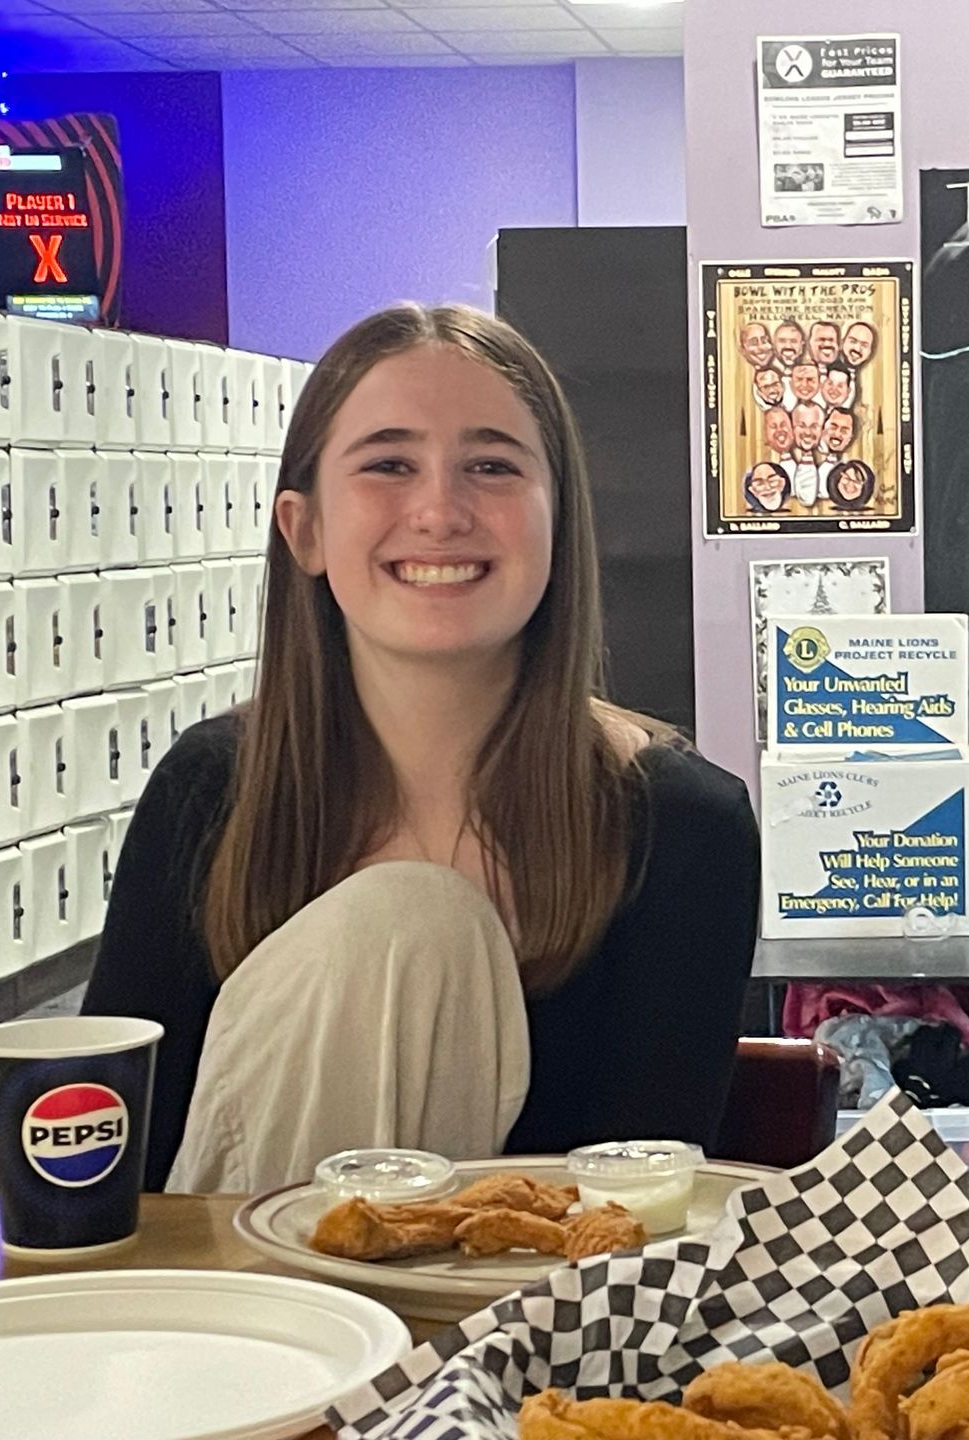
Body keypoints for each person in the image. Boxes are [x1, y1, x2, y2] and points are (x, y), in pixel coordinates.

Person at [83, 304, 762, 1192]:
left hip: (535, 1321)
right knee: (411, 917)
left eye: (491, 466)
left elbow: (633, 1209)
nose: (441, 511)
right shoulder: (208, 792)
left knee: (416, 920)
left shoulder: (684, 828)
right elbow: (109, 1155)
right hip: (240, 1313)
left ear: (558, 525)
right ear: (306, 530)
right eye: (389, 465)